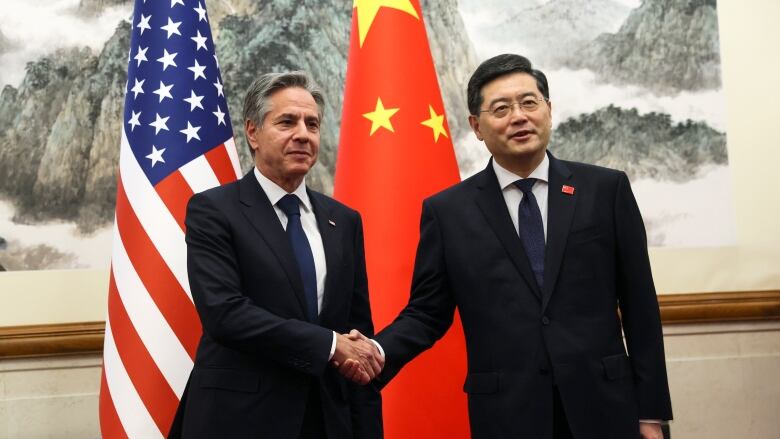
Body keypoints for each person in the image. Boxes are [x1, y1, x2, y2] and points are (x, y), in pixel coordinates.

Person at [352, 54, 673, 438]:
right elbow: (427, 313)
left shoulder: (605, 190)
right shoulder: (449, 211)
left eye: (529, 103)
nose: (518, 117)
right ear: (476, 126)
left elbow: (640, 306)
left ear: (549, 110)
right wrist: (376, 353)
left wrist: (651, 413)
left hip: (606, 407)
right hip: (508, 415)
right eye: (501, 109)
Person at [169, 71, 383, 439]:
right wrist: (329, 345)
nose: (303, 134)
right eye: (287, 122)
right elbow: (225, 313)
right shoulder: (214, 210)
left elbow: (357, 334)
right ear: (253, 133)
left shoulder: (343, 220)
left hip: (328, 419)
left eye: (312, 124)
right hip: (240, 419)